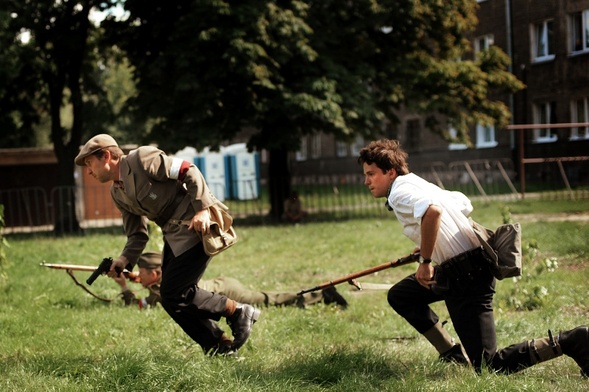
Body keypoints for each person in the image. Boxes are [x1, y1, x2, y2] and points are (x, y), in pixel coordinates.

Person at [358, 139, 589, 375]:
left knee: (489, 366)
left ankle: (571, 341)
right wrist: (429, 243)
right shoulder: (415, 182)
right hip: (459, 268)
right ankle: (453, 354)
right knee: (401, 296)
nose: (366, 181)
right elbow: (461, 203)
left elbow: (433, 211)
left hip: (467, 276)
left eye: (371, 174)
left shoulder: (399, 192)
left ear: (391, 171)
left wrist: (426, 261)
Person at [74, 134, 260, 356]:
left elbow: (188, 169)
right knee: (170, 299)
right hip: (173, 235)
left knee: (175, 291)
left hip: (196, 225)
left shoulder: (141, 159)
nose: (89, 171)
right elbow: (137, 234)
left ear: (105, 156)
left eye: (89, 163)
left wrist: (202, 210)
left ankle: (238, 311)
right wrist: (124, 260)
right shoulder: (117, 193)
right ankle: (218, 345)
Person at [114, 252, 348, 309]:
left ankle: (320, 295)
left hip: (228, 293)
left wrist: (124, 286)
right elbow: (148, 287)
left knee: (268, 299)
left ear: (155, 274)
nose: (139, 276)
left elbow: (141, 305)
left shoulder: (162, 290)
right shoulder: (163, 281)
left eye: (142, 273)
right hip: (223, 285)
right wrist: (133, 278)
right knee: (267, 295)